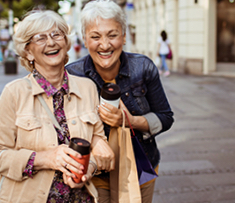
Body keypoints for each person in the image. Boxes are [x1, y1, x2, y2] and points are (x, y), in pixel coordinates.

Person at [0, 10, 114, 203]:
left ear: (66, 42)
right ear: (28, 52)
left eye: (56, 34)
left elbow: (98, 143)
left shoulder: (87, 88)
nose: (51, 42)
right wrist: (45, 158)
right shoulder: (14, 92)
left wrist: (89, 168)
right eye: (40, 38)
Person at [66, 0, 174, 202]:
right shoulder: (73, 75)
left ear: (124, 37)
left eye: (113, 35)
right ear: (85, 39)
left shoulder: (143, 68)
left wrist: (130, 120)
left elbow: (165, 117)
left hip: (140, 167)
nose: (105, 45)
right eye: (95, 37)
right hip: (94, 174)